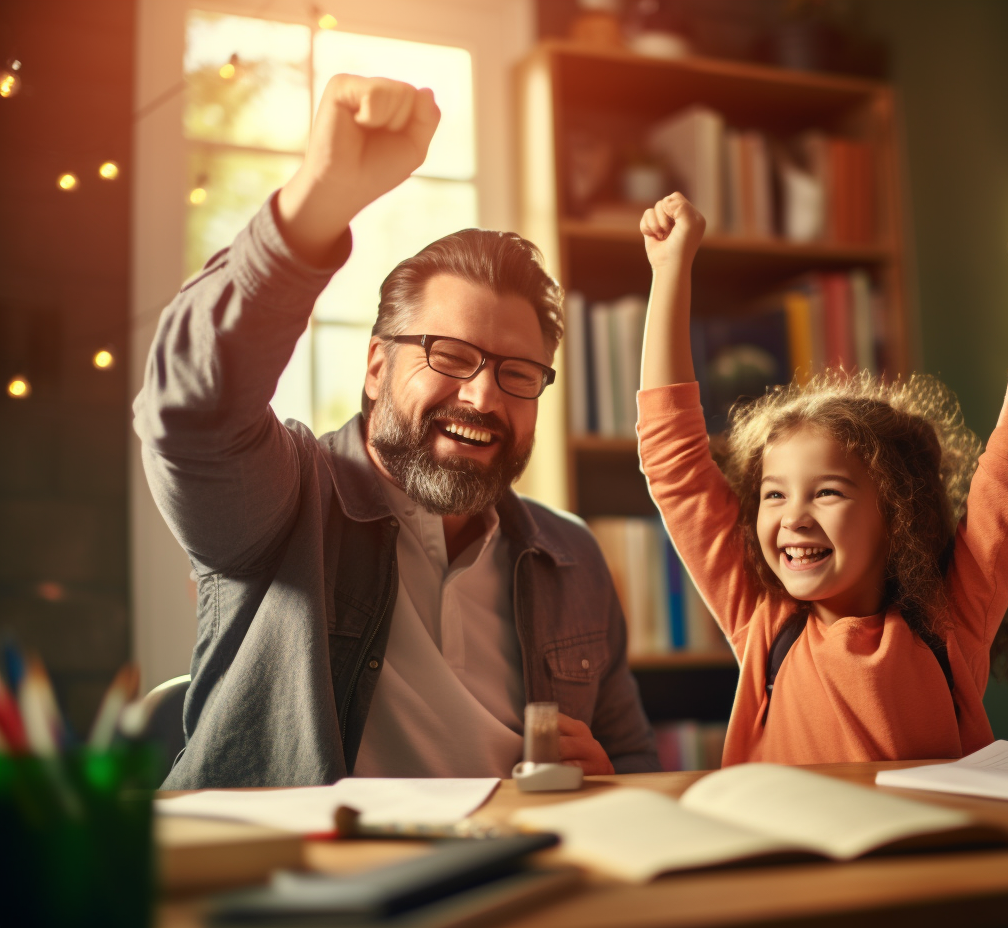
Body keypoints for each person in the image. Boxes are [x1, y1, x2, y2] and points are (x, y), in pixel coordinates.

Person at [134, 75, 658, 788]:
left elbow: (630, 761)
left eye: (518, 373)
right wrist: (314, 203)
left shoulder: (571, 557)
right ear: (377, 364)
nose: (481, 396)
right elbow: (190, 407)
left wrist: (612, 780)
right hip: (301, 882)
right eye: (450, 355)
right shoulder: (286, 504)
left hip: (512, 877)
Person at [636, 191, 1008, 765]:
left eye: (826, 492)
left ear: (897, 511)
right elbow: (674, 465)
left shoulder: (952, 622)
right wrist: (670, 270)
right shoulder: (762, 621)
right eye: (774, 495)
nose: (792, 516)